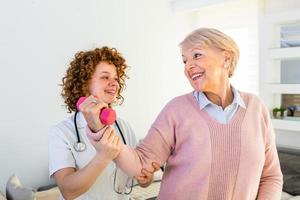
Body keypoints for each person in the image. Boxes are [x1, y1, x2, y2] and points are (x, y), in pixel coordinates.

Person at [85, 28, 284, 200]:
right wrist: (100, 128)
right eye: (184, 60)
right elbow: (140, 164)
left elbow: (271, 176)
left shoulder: (256, 108)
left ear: (226, 57)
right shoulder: (176, 110)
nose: (188, 66)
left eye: (196, 55)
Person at [48, 46, 160, 200]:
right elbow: (68, 191)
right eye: (105, 77)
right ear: (84, 83)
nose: (114, 84)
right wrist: (104, 156)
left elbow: (141, 177)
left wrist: (146, 179)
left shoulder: (123, 127)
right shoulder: (61, 132)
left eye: (116, 79)